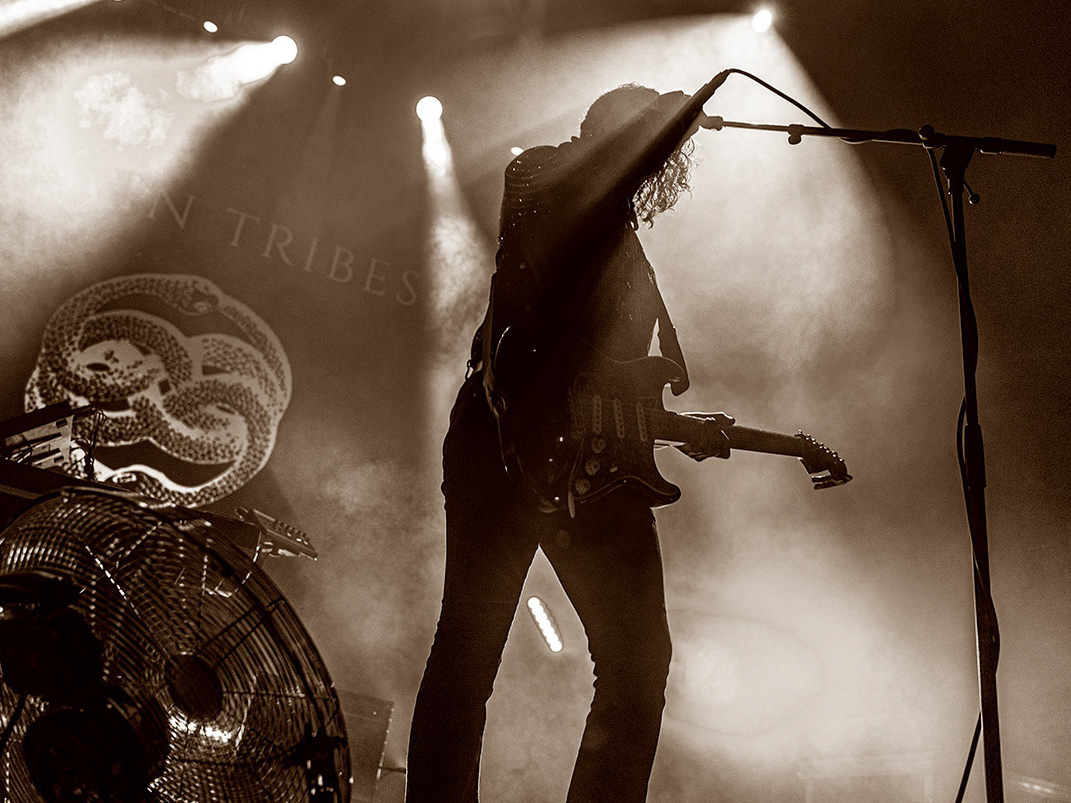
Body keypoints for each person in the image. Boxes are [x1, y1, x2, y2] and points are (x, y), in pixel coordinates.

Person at [406, 82, 731, 803]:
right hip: (499, 443)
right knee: (468, 654)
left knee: (637, 664)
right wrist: (666, 113)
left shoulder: (628, 254)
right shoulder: (540, 172)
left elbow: (602, 386)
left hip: (594, 470)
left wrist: (672, 426)